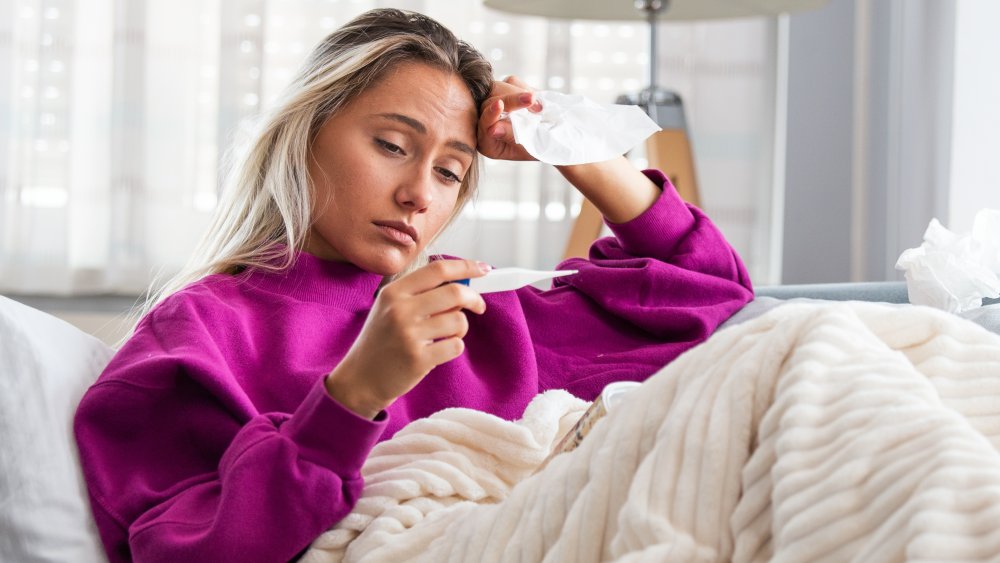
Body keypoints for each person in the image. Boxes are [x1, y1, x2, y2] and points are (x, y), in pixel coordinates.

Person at [74, 8, 754, 563]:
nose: (418, 193)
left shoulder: (472, 307)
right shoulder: (199, 333)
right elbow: (183, 548)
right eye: (393, 146)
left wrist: (580, 151)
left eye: (451, 172)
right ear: (304, 130)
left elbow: (713, 295)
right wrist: (353, 395)